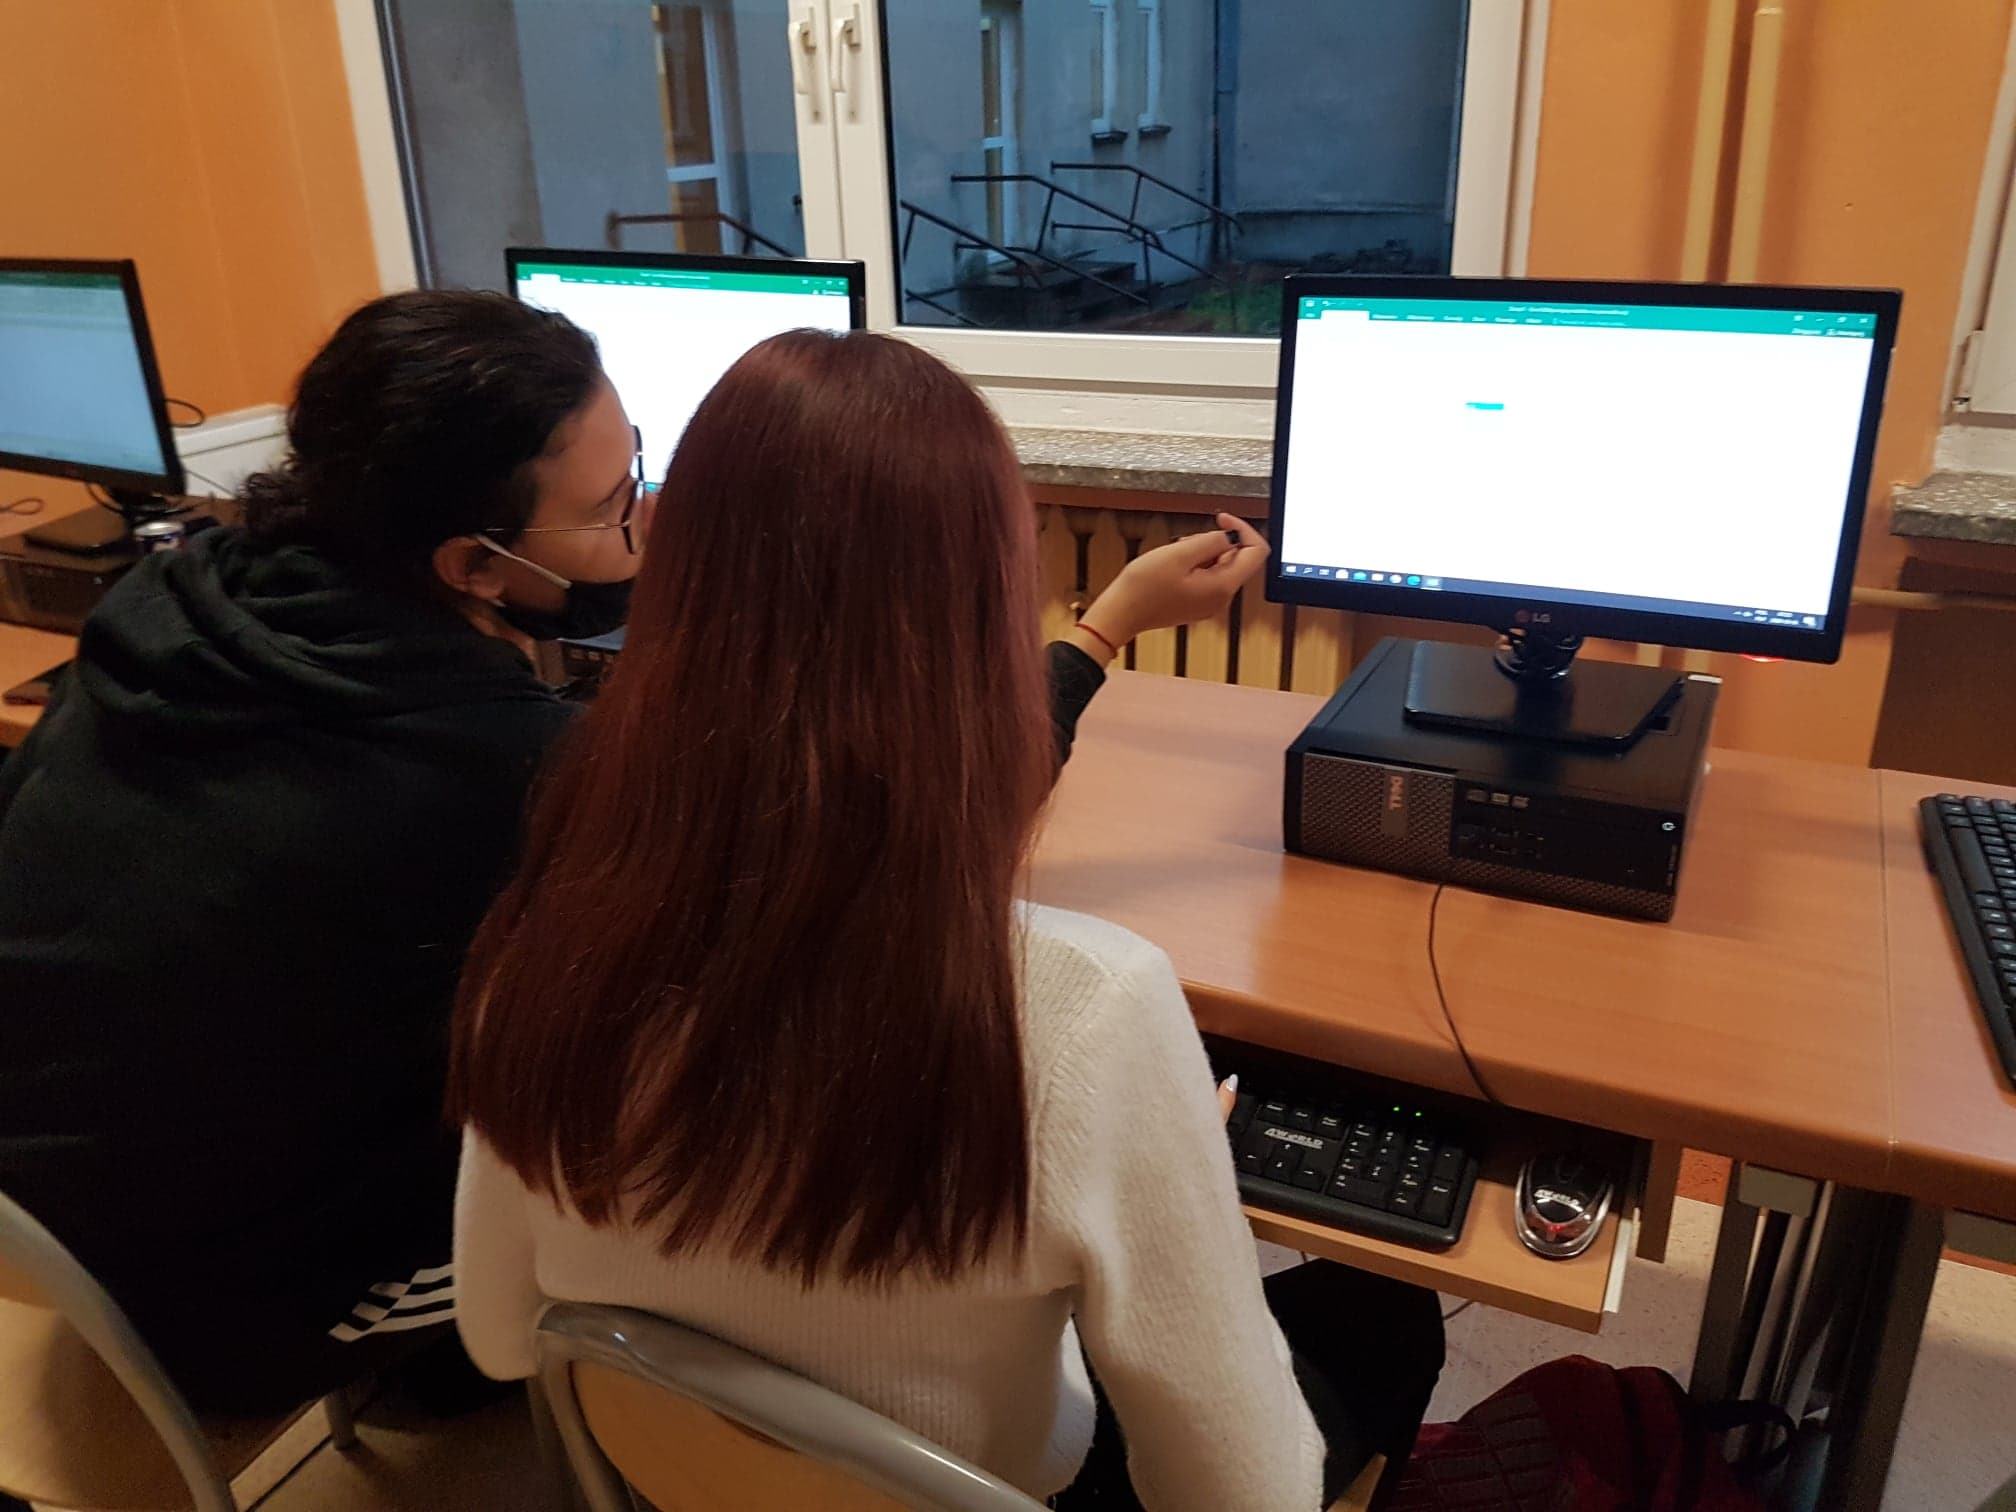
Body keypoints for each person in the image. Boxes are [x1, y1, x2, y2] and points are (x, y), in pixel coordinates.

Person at [0, 291, 1266, 1415]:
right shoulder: (495, 773)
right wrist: (1097, 634)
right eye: (612, 510)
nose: (649, 526)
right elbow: (870, 860)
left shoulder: (180, 604)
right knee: (677, 1190)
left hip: (45, 1212)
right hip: (225, 1302)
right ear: (472, 564)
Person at [449, 330, 1442, 1510]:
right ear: (981, 635)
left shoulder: (539, 948)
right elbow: (1246, 1495)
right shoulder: (1090, 1015)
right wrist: (1173, 1184)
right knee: (1387, 1315)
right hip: (1006, 1485)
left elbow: (501, 1337)